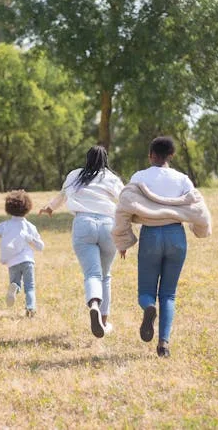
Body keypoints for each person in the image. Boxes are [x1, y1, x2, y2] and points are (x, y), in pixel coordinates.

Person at [112, 136, 212, 357]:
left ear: (151, 155)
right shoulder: (182, 179)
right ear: (171, 156)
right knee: (169, 294)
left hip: (151, 236)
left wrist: (123, 241)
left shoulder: (139, 177)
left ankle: (149, 308)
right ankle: (164, 344)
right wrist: (200, 231)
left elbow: (123, 209)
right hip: (176, 236)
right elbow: (199, 209)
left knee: (146, 292)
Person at [39, 145, 124, 338]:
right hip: (107, 225)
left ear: (87, 159)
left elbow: (62, 195)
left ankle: (93, 303)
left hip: (83, 223)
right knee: (105, 275)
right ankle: (103, 321)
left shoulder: (75, 175)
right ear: (105, 160)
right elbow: (125, 201)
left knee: (92, 274)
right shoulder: (110, 178)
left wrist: (50, 208)